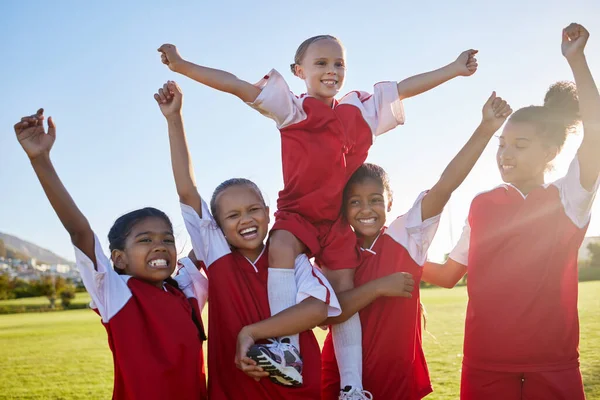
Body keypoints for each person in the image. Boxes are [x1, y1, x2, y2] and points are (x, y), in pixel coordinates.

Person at [158, 35, 477, 396]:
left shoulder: (359, 109)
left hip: (336, 222)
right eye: (321, 64)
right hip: (298, 214)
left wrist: (453, 69)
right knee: (280, 243)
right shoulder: (292, 108)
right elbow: (236, 86)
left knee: (343, 296)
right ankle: (284, 346)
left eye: (338, 63)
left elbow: (403, 88)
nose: (331, 71)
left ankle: (352, 388)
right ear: (299, 71)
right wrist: (182, 66)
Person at [422, 23, 599, 400]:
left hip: (555, 365)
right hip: (484, 366)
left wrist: (577, 60)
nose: (505, 154)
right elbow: (449, 275)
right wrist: (400, 257)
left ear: (551, 152)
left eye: (519, 145)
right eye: (502, 144)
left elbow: (596, 132)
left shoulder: (569, 197)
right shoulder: (481, 205)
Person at [320, 92, 512, 399]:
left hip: (396, 375)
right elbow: (327, 316)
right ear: (343, 208)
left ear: (390, 202)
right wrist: (379, 287)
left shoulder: (405, 235)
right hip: (341, 377)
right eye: (354, 202)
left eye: (375, 200)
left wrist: (486, 128)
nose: (365, 209)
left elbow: (446, 185)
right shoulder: (334, 249)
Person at [156, 80, 340, 399]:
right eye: (233, 215)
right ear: (216, 226)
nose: (245, 219)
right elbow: (187, 190)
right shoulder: (214, 251)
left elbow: (317, 310)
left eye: (253, 209)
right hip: (236, 390)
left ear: (268, 213)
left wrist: (252, 332)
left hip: (298, 391)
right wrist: (174, 117)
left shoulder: (287, 254)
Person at [13, 109, 208, 400]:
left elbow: (200, 216)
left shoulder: (186, 288)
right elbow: (79, 231)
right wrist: (40, 160)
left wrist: (174, 118)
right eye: (145, 239)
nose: (160, 245)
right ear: (118, 259)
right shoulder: (116, 292)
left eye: (167, 238)